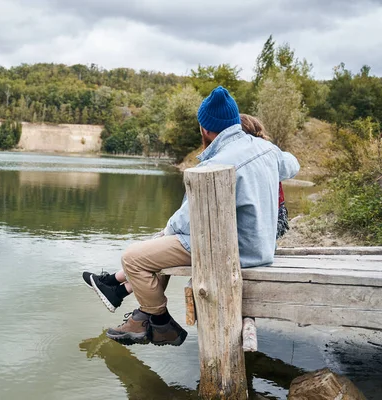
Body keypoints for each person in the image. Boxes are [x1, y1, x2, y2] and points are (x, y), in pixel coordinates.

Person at [83, 86, 300, 346]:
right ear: (234, 122)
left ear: (205, 129)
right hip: (261, 246)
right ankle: (135, 310)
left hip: (232, 252)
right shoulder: (266, 150)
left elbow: (185, 221)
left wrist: (165, 232)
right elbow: (293, 165)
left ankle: (160, 323)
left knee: (133, 257)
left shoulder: (214, 165)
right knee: (156, 247)